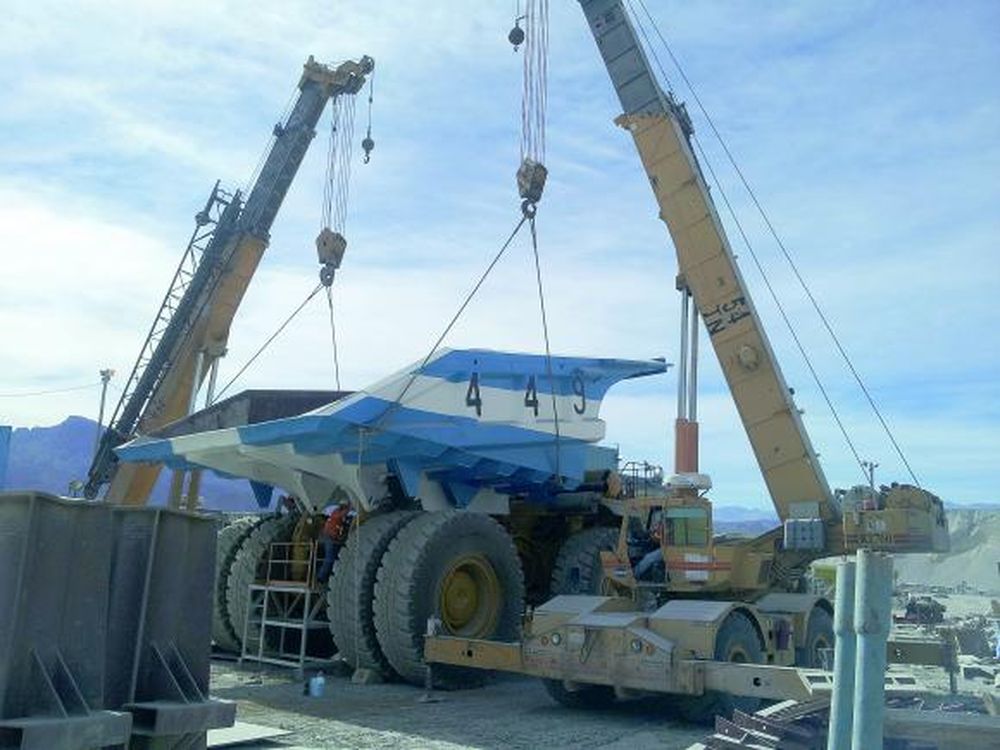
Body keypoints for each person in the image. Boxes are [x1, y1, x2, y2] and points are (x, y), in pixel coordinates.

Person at [316, 501, 352, 584]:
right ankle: (320, 578)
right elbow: (342, 515)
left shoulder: (336, 514)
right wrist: (350, 506)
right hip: (330, 539)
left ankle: (325, 576)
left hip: (330, 538)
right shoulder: (337, 514)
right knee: (330, 558)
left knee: (332, 558)